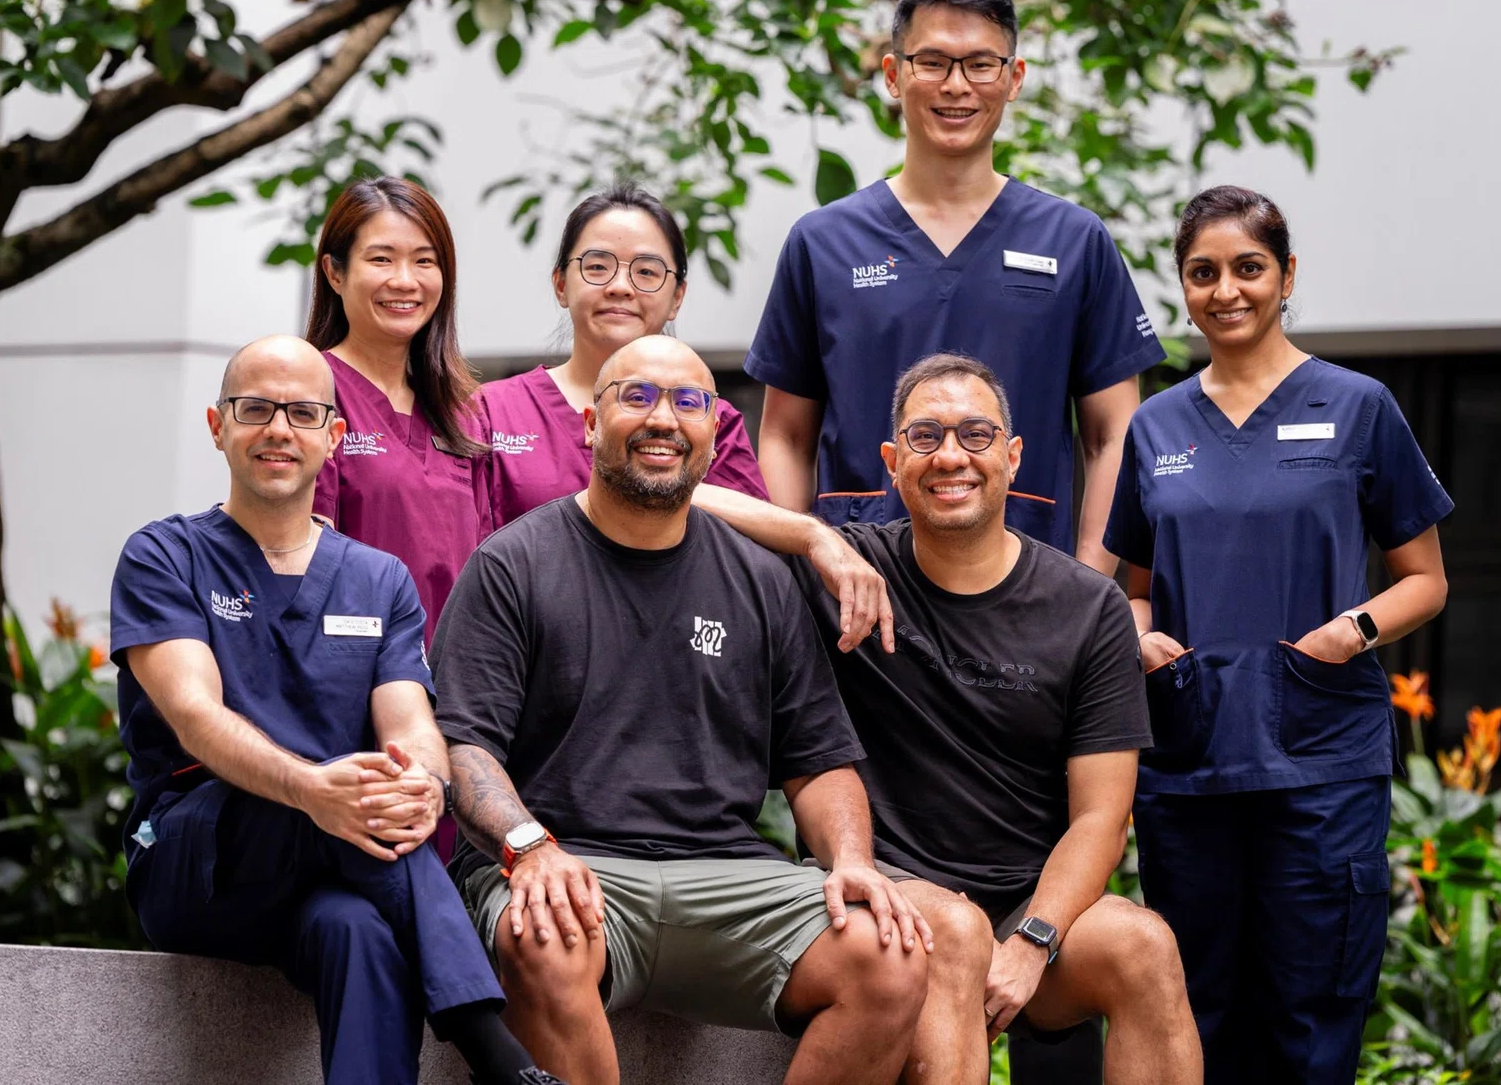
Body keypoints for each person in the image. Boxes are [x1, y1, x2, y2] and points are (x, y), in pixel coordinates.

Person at [431, 335, 931, 1085]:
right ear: (590, 426)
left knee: (888, 955)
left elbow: (818, 760)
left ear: (712, 433)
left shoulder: (761, 580)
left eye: (689, 402)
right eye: (636, 396)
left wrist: (853, 860)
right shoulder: (513, 564)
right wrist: (528, 847)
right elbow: (463, 747)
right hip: (569, 861)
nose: (663, 418)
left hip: (726, 875)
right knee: (540, 931)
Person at [698, 353, 1203, 1085]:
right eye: (926, 438)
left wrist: (1034, 940)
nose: (951, 458)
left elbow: (1101, 815)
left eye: (975, 435)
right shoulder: (850, 576)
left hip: (1032, 904)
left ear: (1012, 454)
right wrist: (813, 535)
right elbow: (688, 495)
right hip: (894, 891)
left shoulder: (1085, 605)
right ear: (891, 462)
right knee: (955, 933)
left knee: (1144, 946)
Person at [107, 335, 560, 1085]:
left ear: (334, 438)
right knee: (317, 805)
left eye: (303, 412)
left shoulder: (377, 580)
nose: (278, 429)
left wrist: (421, 783)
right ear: (218, 427)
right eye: (255, 409)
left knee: (358, 935)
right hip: (199, 857)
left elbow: (411, 727)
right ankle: (497, 1054)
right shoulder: (165, 556)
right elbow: (196, 716)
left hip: (340, 866)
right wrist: (312, 791)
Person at [1103, 186, 1452, 1084]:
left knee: (1313, 1009)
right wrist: (1140, 640)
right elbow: (1133, 591)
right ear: (1183, 286)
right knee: (1198, 1007)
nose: (1227, 290)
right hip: (1191, 761)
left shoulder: (1358, 406)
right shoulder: (1156, 426)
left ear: (1286, 275)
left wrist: (1350, 631)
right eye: (1203, 272)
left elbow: (1426, 581)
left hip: (1321, 759)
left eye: (1248, 268)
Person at [746, 0, 1165, 573]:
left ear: (1014, 77)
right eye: (933, 62)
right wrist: (799, 576)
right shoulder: (824, 242)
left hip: (1029, 590)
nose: (956, 85)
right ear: (894, 74)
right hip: (861, 592)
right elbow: (785, 436)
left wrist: (1085, 588)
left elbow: (1113, 437)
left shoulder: (1075, 241)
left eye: (980, 64)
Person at [480, 183, 768, 531]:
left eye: (647, 271)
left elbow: (747, 549)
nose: (620, 286)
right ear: (560, 285)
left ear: (677, 297)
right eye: (598, 267)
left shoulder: (709, 418)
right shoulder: (491, 412)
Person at [307, 176, 486, 644]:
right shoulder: (312, 395)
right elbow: (298, 561)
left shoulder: (463, 412)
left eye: (425, 261)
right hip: (353, 676)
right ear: (335, 272)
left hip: (456, 687)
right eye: (381, 259)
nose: (405, 281)